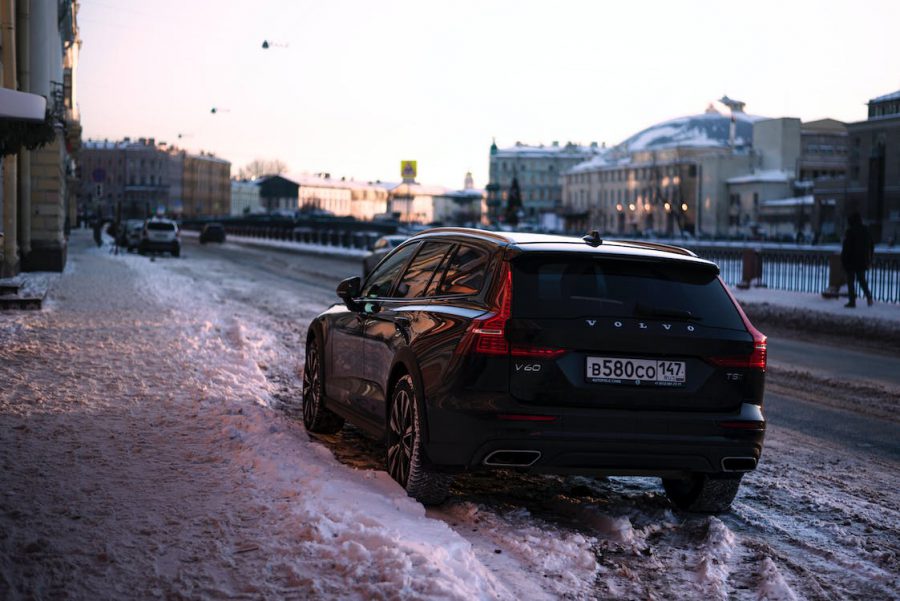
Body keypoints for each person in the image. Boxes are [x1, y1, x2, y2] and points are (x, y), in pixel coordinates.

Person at [840, 212, 874, 308]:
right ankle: (869, 296)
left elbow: (846, 248)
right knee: (862, 280)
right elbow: (871, 245)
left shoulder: (850, 231)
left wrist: (843, 259)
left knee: (850, 281)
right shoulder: (866, 230)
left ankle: (852, 301)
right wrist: (869, 258)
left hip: (851, 260)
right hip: (862, 260)